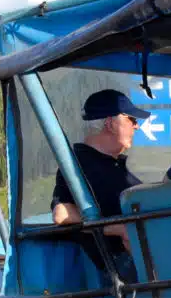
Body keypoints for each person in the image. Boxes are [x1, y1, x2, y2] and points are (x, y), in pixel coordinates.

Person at [51, 88, 150, 280]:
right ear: (111, 124)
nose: (136, 126)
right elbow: (62, 213)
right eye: (132, 120)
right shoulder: (78, 165)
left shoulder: (113, 164)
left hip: (144, 256)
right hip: (122, 266)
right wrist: (120, 228)